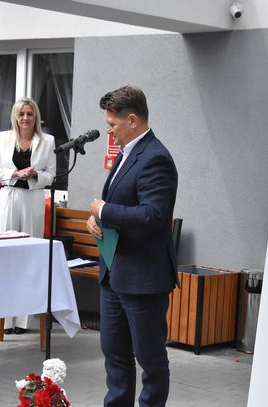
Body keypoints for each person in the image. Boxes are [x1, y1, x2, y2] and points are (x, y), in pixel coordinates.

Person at [87, 86, 179, 406]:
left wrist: (104, 210)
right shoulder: (126, 152)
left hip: (143, 278)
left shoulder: (156, 158)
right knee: (115, 357)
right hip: (114, 274)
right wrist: (96, 220)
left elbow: (153, 215)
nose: (109, 131)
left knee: (150, 361)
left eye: (112, 124)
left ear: (133, 120)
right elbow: (121, 205)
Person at [0, 97, 56, 334]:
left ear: (35, 116)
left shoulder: (48, 141)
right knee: (5, 255)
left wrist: (35, 175)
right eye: (21, 114)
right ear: (15, 117)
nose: (25, 118)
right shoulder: (4, 138)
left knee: (28, 256)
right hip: (10, 197)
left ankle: (23, 321)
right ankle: (5, 320)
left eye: (29, 113)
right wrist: (16, 173)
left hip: (33, 199)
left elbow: (51, 175)